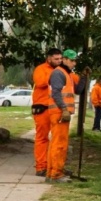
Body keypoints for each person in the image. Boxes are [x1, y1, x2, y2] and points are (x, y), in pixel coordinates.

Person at [46, 49, 87, 183]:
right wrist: (64, 109)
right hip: (59, 113)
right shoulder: (58, 73)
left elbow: (78, 90)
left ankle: (53, 171)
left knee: (57, 144)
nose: (74, 63)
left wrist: (84, 77)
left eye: (75, 61)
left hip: (62, 113)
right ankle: (56, 174)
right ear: (64, 60)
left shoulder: (67, 74)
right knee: (59, 144)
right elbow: (56, 93)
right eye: (72, 60)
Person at [31, 47, 63, 177]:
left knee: (57, 139)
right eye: (56, 59)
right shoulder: (41, 69)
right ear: (49, 58)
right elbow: (40, 82)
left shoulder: (61, 70)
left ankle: (54, 166)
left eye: (60, 59)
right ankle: (41, 167)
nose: (59, 61)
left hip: (56, 108)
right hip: (43, 107)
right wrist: (55, 75)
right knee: (42, 138)